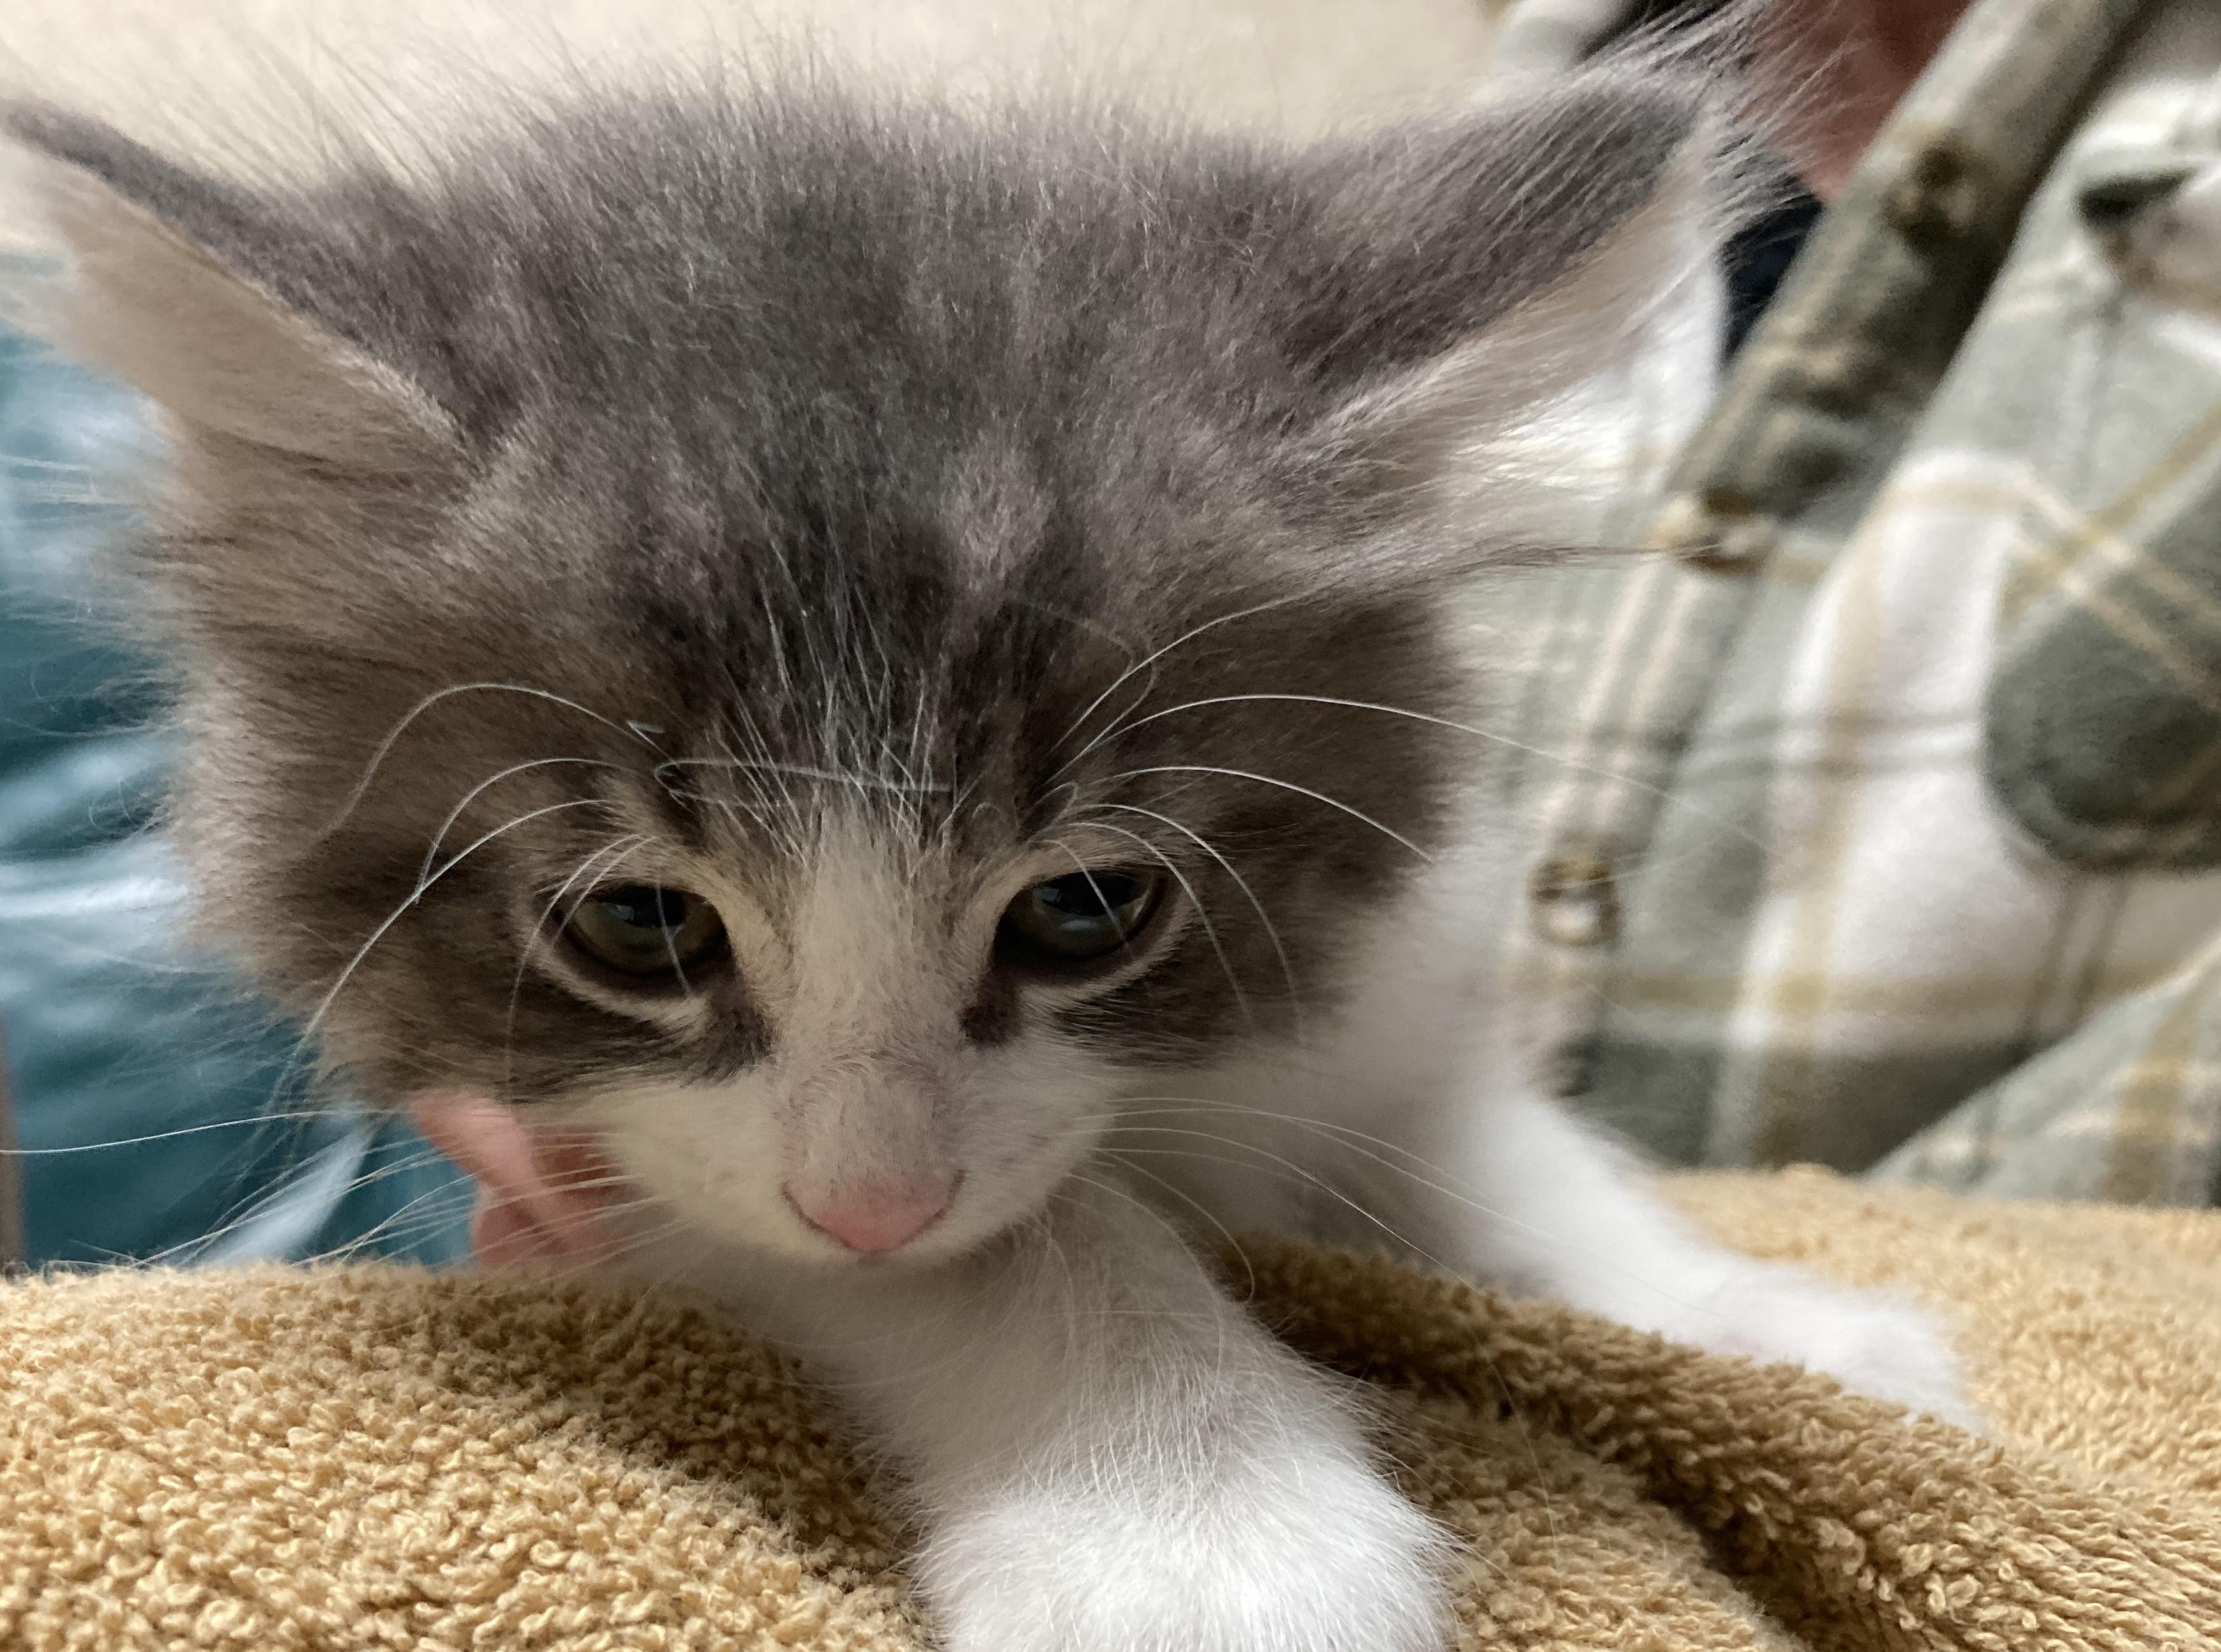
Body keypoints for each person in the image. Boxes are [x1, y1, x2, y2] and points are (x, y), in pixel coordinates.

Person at [423, 0, 2221, 1262]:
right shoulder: (1522, 94)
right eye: (646, 919)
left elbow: (1413, 1049)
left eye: (1081, 899)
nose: (868, 1200)